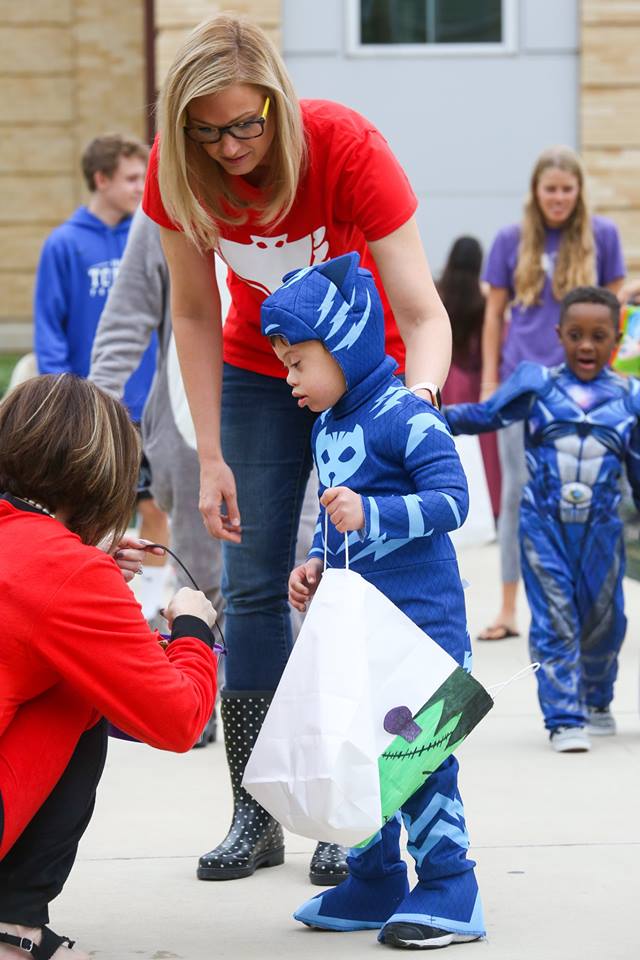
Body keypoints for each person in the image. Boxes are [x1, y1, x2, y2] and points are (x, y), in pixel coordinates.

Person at [142, 13, 453, 886]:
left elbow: (426, 312)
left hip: (365, 371)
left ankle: (350, 811)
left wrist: (417, 409)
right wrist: (210, 456)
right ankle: (259, 808)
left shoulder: (346, 147)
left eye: (245, 124)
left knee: (357, 581)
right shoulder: (180, 172)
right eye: (208, 132)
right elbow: (198, 315)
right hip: (252, 369)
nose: (230, 146)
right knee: (252, 583)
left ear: (276, 106)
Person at [260, 252, 483, 950]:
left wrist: (375, 516)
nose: (290, 380)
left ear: (346, 345)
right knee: (358, 750)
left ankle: (452, 884)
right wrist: (319, 562)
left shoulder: (406, 416)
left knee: (416, 757)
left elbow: (454, 502)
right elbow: (338, 514)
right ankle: (376, 877)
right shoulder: (327, 426)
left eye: (299, 363)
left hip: (423, 630)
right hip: (362, 629)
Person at [0, 374, 218, 960]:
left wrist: (82, 556)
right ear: (102, 475)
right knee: (81, 691)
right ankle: (12, 929)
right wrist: (192, 627)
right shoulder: (66, 573)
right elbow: (178, 721)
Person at [445, 286, 640, 752]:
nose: (587, 345)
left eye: (598, 336)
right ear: (559, 335)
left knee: (605, 623)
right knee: (555, 619)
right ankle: (563, 716)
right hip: (543, 525)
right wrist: (427, 411)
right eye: (575, 335)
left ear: (616, 337)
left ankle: (596, 700)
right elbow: (483, 416)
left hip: (602, 528)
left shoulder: (631, 397)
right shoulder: (537, 384)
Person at [89, 207, 224, 746]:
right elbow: (126, 317)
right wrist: (94, 421)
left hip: (283, 421)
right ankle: (205, 702)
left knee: (288, 591)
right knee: (203, 581)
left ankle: (283, 737)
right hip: (189, 427)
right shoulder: (167, 206)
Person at [479, 146, 625, 641]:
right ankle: (507, 608)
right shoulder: (509, 240)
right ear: (536, 193)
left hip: (583, 388)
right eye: (550, 189)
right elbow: (494, 314)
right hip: (522, 386)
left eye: (566, 189)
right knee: (517, 494)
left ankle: (587, 605)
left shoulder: (602, 236)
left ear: (578, 192)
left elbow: (616, 303)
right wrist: (489, 382)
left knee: (591, 493)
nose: (558, 198)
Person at [439, 236, 501, 517]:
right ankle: (487, 509)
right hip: (475, 383)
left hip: (445, 378)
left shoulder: (437, 292)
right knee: (485, 455)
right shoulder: (483, 300)